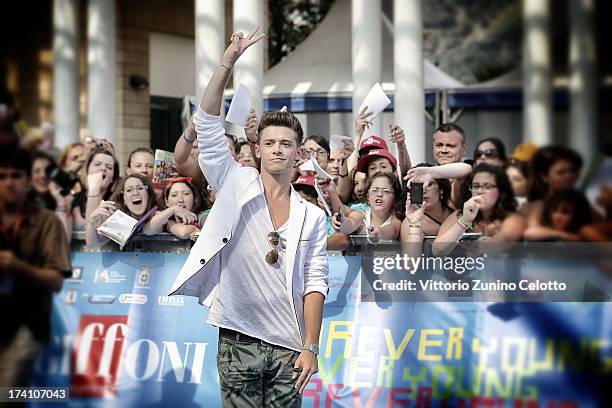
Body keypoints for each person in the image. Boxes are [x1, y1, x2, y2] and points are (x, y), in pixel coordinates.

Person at [169, 26, 328, 407]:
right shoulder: (233, 180)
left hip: (290, 345)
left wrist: (311, 346)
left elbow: (315, 283)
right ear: (256, 149)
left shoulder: (312, 215)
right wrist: (227, 63)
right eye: (269, 143)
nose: (277, 150)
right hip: (237, 338)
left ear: (297, 154)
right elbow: (206, 126)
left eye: (285, 144)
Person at [0, 147, 71, 388]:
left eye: (15, 176)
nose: (9, 183)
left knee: (7, 392)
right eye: (2, 176)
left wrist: (19, 267)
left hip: (26, 322)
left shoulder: (47, 221)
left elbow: (56, 279)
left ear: (26, 180)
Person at [433, 164, 526, 256]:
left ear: (500, 190)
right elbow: (436, 251)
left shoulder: (513, 218)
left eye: (487, 186)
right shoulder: (461, 214)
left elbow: (498, 244)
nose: (480, 191)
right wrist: (464, 221)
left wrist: (478, 244)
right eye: (476, 186)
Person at [85, 173, 165, 248]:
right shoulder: (117, 221)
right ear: (124, 200)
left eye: (140, 188)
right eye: (129, 190)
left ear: (148, 195)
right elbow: (93, 244)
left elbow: (150, 229)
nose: (135, 193)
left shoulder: (159, 215)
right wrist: (91, 222)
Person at [340, 172, 403, 242]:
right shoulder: (361, 215)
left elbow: (393, 230)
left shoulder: (396, 219)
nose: (379, 194)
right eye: (375, 190)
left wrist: (380, 232)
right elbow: (350, 224)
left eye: (386, 191)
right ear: (368, 197)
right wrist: (341, 220)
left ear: (395, 198)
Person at [400, 164, 453, 239]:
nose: (423, 190)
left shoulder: (455, 208)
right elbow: (410, 251)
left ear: (441, 189)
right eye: (418, 186)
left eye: (429, 184)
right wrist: (415, 226)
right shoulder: (411, 222)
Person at [524, 189, 592, 241]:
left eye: (565, 212)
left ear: (577, 215)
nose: (557, 216)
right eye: (554, 210)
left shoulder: (581, 237)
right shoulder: (548, 229)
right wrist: (563, 235)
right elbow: (529, 233)